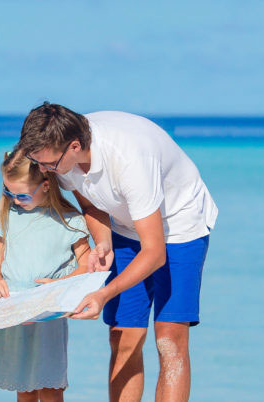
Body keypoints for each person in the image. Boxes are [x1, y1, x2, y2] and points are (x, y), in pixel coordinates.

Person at [14, 103, 217, 402]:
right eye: (38, 162)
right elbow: (92, 206)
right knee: (122, 336)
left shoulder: (130, 159)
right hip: (124, 225)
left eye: (50, 165)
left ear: (74, 146)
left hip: (179, 226)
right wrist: (104, 242)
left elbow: (155, 252)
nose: (45, 171)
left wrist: (103, 293)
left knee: (169, 339)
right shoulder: (61, 158)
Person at [0, 151, 92, 402]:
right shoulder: (10, 216)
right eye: (8, 192)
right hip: (13, 310)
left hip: (49, 313)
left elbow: (87, 266)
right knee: (23, 387)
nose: (15, 200)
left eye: (21, 195)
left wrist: (59, 284)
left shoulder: (70, 221)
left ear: (46, 186)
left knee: (50, 387)